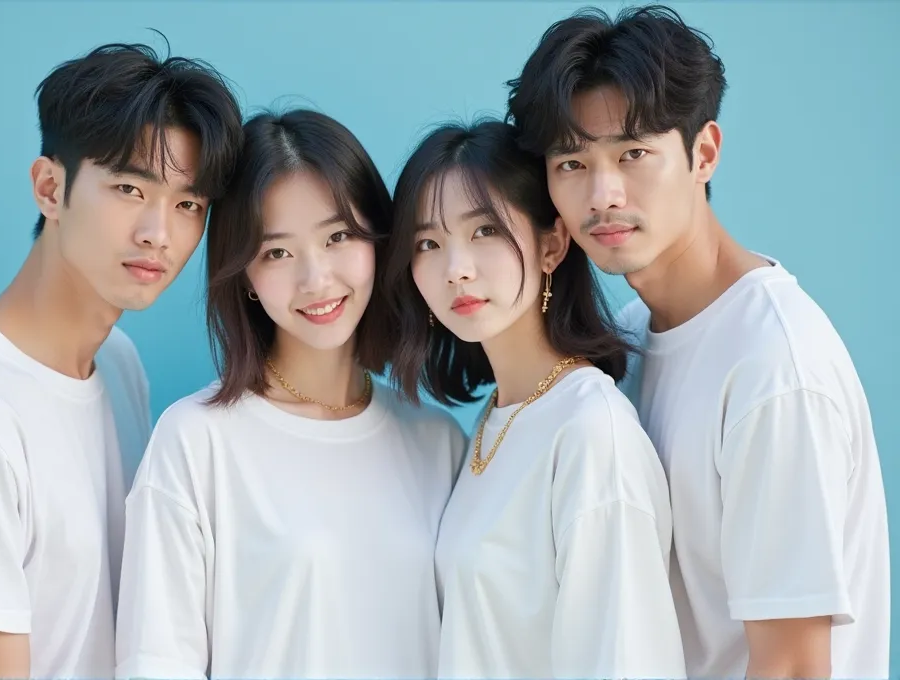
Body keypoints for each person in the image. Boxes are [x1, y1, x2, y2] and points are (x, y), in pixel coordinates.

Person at [506, 5, 890, 679]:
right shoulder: (629, 337)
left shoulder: (774, 368)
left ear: (704, 152)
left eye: (633, 154)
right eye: (571, 162)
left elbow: (795, 667)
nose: (603, 194)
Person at [0, 41, 243, 680]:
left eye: (189, 205)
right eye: (130, 188)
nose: (159, 232)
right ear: (50, 187)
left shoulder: (118, 365)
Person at [114, 108, 466, 680]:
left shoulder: (436, 441)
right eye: (278, 252)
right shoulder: (198, 443)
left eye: (338, 237)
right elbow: (155, 663)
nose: (317, 280)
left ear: (379, 240)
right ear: (244, 276)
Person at [382, 119, 686, 679]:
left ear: (551, 245)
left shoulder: (591, 433)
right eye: (428, 243)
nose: (457, 269)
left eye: (485, 231)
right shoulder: (498, 418)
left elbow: (625, 662)